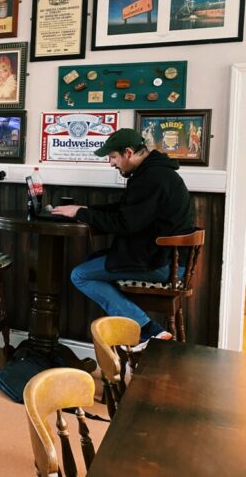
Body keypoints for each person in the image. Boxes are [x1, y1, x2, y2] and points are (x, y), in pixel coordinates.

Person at [52, 128, 194, 349]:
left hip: (162, 264)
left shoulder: (151, 178)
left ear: (128, 152)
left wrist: (81, 213)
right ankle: (129, 331)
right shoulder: (154, 173)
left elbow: (125, 224)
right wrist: (84, 209)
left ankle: (147, 330)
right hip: (161, 257)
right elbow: (125, 210)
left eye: (113, 157)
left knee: (80, 275)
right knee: (92, 260)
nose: (111, 163)